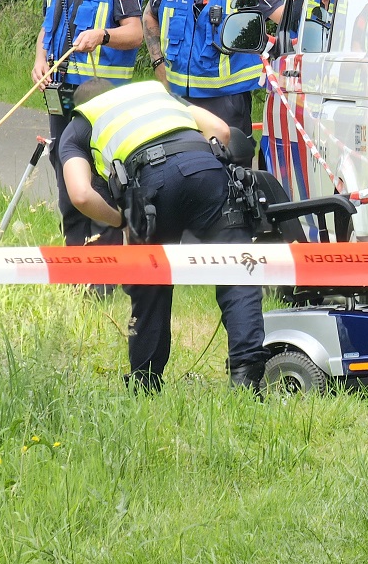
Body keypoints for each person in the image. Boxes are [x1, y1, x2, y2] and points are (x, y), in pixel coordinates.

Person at [59, 78, 269, 393]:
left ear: (80, 105)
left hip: (150, 186)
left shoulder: (79, 124)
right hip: (206, 170)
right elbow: (223, 132)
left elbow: (80, 195)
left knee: (151, 281)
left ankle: (146, 380)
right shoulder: (156, 93)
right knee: (237, 270)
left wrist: (120, 220)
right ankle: (247, 377)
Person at [31, 0, 143, 251]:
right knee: (64, 169)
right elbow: (46, 28)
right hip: (59, 94)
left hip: (100, 98)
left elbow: (137, 32)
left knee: (95, 175)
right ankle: (74, 260)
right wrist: (39, 60)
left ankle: (103, 269)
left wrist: (103, 35)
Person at [142, 0, 284, 144]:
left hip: (227, 102)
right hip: (180, 98)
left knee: (232, 173)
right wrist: (158, 62)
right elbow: (149, 15)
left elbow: (284, 17)